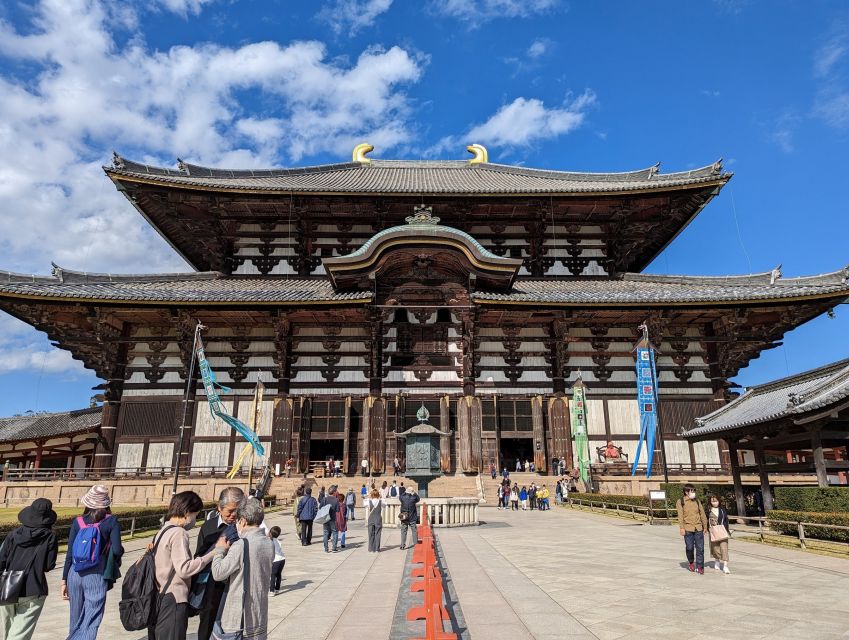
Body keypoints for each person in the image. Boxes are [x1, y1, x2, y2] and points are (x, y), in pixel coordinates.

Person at [62, 484, 123, 640]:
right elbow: (116, 550)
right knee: (91, 618)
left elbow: (69, 553)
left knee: (75, 617)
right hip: (96, 573)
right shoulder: (111, 521)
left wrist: (64, 580)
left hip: (74, 573)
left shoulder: (78, 522)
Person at [150, 491, 214, 640]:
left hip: (159, 594)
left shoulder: (163, 530)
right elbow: (184, 569)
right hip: (174, 598)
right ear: (187, 512)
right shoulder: (179, 533)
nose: (194, 520)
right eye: (195, 515)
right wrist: (212, 554)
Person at [212, 498, 274, 640]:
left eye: (238, 521)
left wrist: (220, 550)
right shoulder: (268, 542)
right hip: (259, 614)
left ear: (244, 521)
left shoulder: (241, 545)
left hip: (239, 618)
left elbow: (218, 573)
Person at [0, 498, 58, 640]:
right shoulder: (50, 537)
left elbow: (1, 561)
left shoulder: (13, 535)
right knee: (20, 633)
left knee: (8, 630)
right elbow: (48, 566)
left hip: (8, 586)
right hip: (34, 587)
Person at [194, 486, 245, 640]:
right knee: (208, 622)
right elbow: (199, 555)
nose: (233, 515)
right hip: (213, 585)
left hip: (236, 583)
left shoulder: (245, 526)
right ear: (219, 508)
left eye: (238, 510)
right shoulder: (208, 527)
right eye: (230, 511)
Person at [677, 484, 708, 574]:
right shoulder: (681, 501)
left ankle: (700, 567)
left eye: (694, 491)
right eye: (692, 491)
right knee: (689, 547)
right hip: (687, 528)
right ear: (686, 492)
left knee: (700, 548)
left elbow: (702, 514)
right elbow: (680, 515)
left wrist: (705, 526)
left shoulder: (697, 501)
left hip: (698, 528)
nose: (694, 493)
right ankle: (691, 562)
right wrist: (681, 528)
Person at [707, 495, 731, 574]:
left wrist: (727, 531)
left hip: (722, 530)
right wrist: (707, 529)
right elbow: (706, 521)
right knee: (715, 547)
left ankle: (725, 566)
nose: (715, 503)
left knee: (724, 548)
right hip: (713, 531)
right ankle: (717, 560)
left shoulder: (722, 510)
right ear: (710, 502)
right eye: (713, 501)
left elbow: (726, 521)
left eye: (716, 501)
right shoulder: (708, 510)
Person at [320, 484, 340, 553]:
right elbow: (338, 510)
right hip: (333, 518)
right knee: (335, 532)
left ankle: (326, 548)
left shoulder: (324, 499)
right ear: (334, 492)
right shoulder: (336, 500)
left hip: (325, 518)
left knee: (325, 533)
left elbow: (320, 508)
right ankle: (334, 548)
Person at [268, 527, 285, 594]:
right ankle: (277, 589)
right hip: (282, 559)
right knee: (278, 574)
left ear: (270, 533)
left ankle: (272, 591)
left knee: (273, 575)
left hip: (276, 560)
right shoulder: (277, 541)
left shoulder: (270, 541)